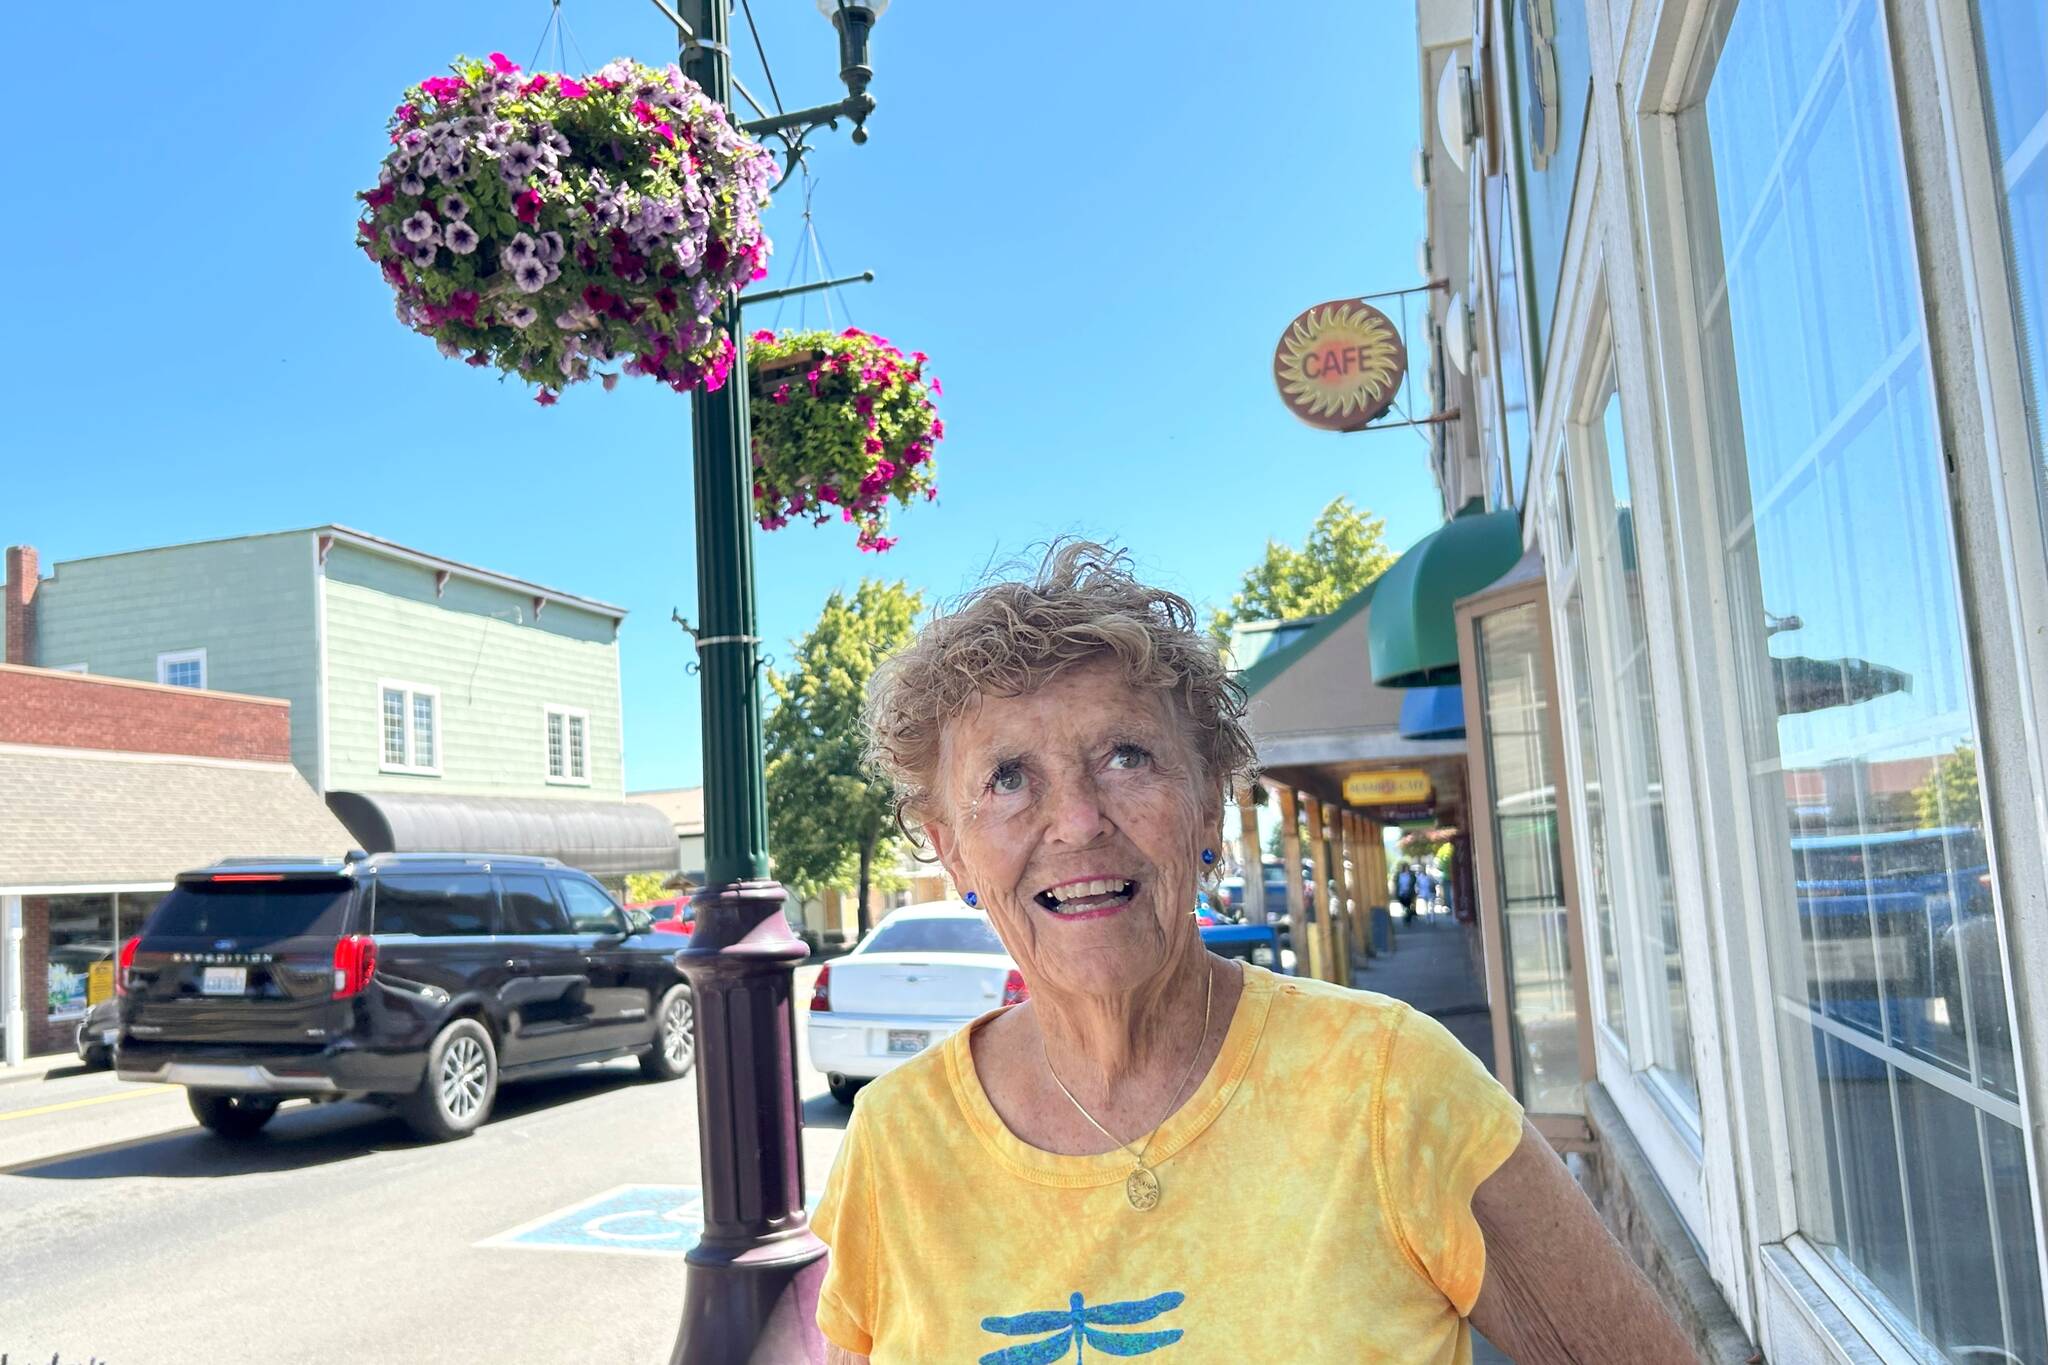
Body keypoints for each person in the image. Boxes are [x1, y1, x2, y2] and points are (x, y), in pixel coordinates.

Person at [814, 543, 1695, 1364]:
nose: (1077, 820)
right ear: (953, 849)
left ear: (1209, 807)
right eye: (1008, 777)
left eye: (1126, 756)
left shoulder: (1388, 1085)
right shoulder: (895, 1143)